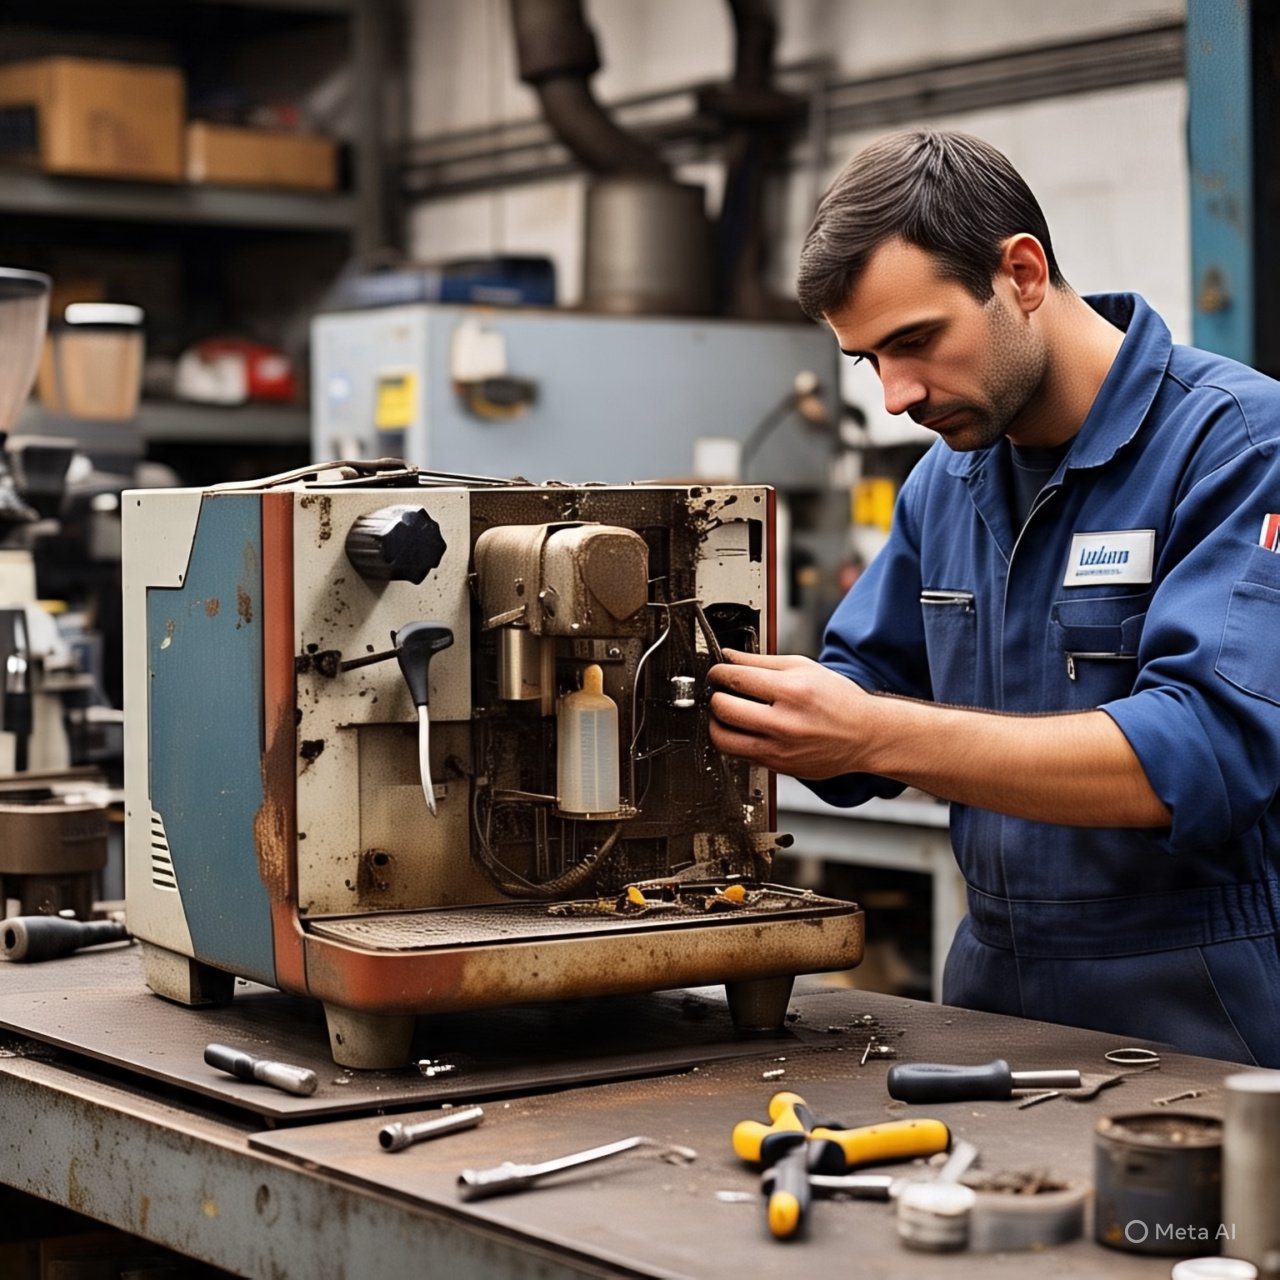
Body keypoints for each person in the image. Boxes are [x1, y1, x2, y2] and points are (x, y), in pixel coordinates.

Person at [708, 129, 1280, 1067]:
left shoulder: (1238, 447)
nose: (894, 397)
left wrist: (873, 731)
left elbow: (1199, 753)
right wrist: (725, 698)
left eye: (916, 341)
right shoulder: (948, 482)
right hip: (987, 1005)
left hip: (1195, 1013)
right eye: (867, 362)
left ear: (1020, 272)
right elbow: (859, 692)